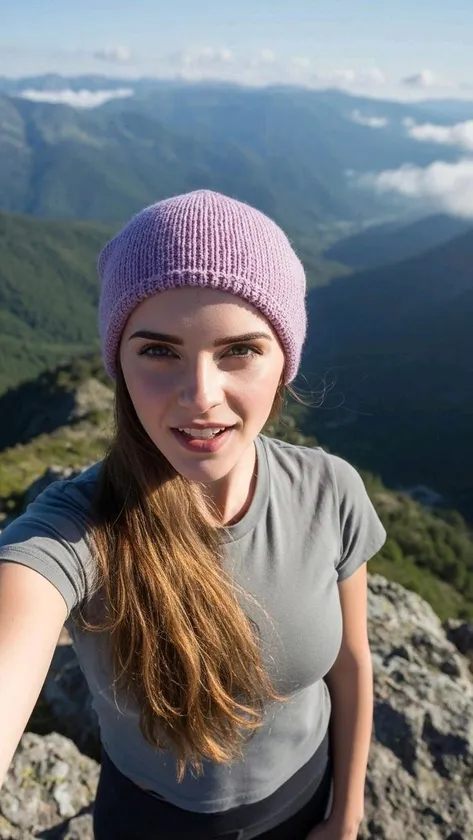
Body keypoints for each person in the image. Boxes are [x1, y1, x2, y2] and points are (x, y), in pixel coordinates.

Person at [0, 190, 386, 840]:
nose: (201, 395)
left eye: (239, 351)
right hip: (146, 823)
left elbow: (350, 663)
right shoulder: (77, 530)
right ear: (119, 364)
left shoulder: (330, 492)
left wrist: (345, 814)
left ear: (283, 363)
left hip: (304, 801)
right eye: (158, 351)